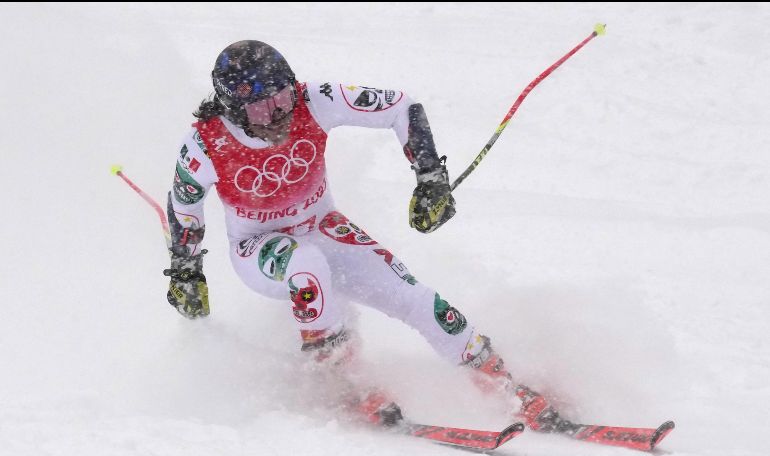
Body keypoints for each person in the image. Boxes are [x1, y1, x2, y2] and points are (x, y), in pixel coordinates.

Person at [163, 40, 560, 431]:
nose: (278, 115)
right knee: (306, 264)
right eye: (261, 107)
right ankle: (339, 382)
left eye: (283, 98)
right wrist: (187, 272)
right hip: (257, 246)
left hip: (324, 227)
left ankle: (501, 384)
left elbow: (402, 106)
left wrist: (430, 179)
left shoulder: (314, 100)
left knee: (417, 299)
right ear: (233, 108)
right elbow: (184, 205)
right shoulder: (205, 143)